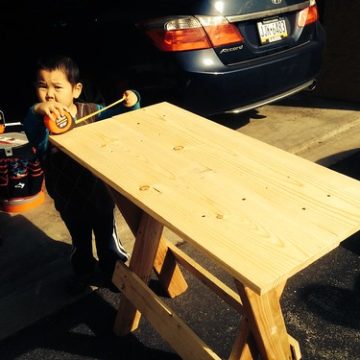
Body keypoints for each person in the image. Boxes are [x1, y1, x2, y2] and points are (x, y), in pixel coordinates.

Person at [23, 55, 140, 291]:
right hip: (68, 200)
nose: (49, 94)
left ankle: (114, 272)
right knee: (80, 239)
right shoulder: (42, 125)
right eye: (42, 86)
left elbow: (121, 119)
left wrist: (132, 102)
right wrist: (37, 110)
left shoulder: (93, 111)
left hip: (100, 195)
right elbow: (31, 127)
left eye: (57, 87)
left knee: (108, 238)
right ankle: (84, 270)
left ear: (75, 90)